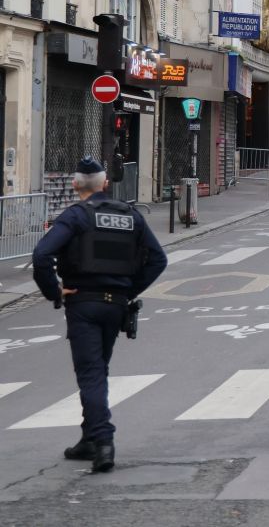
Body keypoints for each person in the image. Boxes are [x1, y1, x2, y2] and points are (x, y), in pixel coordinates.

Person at [31, 157, 168, 473]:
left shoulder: (76, 216)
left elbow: (41, 255)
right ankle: (89, 438)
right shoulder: (130, 215)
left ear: (76, 184)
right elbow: (158, 259)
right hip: (116, 305)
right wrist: (128, 291)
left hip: (84, 305)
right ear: (106, 184)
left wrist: (54, 291)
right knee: (98, 371)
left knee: (91, 373)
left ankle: (103, 440)